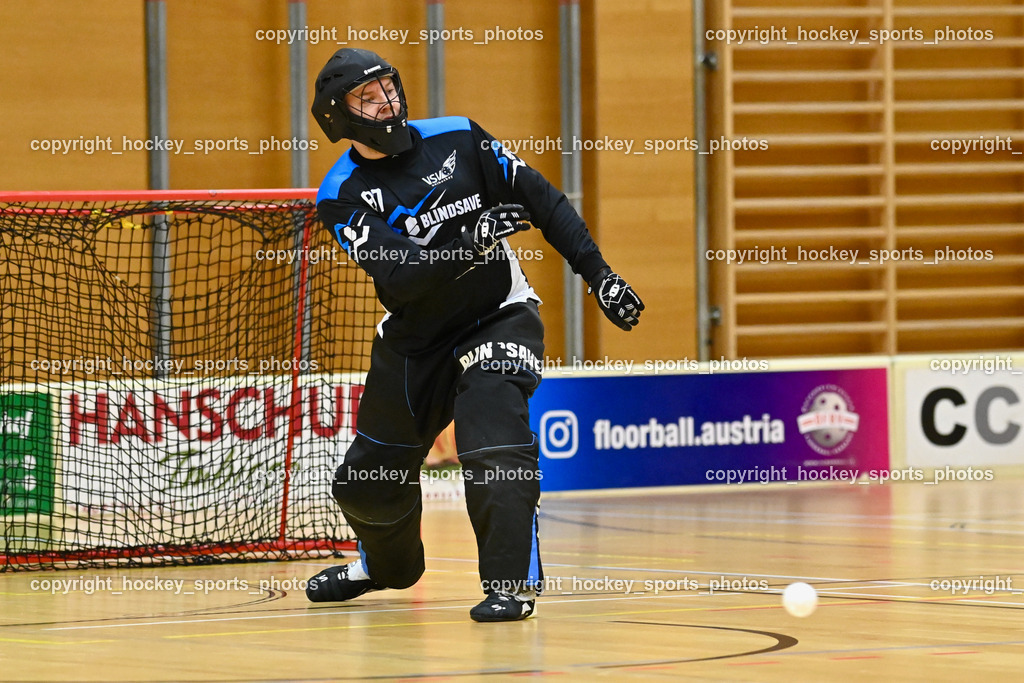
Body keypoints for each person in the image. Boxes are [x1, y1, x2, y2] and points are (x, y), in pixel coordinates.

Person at [306, 47, 643, 622]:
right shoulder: (342, 195)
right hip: (415, 342)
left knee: (492, 440)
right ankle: (382, 568)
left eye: (388, 87)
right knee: (365, 484)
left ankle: (511, 586)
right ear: (339, 117)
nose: (386, 102)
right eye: (367, 96)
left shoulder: (461, 136)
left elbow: (541, 198)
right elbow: (403, 277)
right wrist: (472, 238)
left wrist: (599, 275)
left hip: (498, 316)